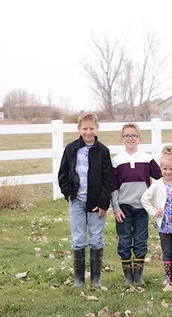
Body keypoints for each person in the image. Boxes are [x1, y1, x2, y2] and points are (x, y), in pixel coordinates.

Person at [57, 112, 112, 289]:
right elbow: (63, 174)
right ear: (79, 129)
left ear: (97, 128)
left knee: (96, 238)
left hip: (96, 203)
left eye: (91, 128)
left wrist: (104, 202)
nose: (88, 132)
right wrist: (68, 193)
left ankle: (96, 280)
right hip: (77, 201)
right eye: (84, 128)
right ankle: (79, 280)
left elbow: (107, 179)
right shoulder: (71, 149)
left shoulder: (103, 151)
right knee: (78, 238)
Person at [111, 123, 161, 285]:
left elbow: (161, 178)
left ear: (139, 138)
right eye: (127, 135)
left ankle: (138, 276)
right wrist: (116, 208)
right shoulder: (117, 160)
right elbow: (113, 187)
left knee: (140, 240)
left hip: (142, 207)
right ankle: (128, 276)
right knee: (124, 240)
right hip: (124, 207)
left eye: (133, 135)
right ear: (122, 138)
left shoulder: (146, 158)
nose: (130, 138)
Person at [141, 146, 172, 288]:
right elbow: (145, 198)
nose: (168, 172)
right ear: (160, 169)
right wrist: (153, 211)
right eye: (165, 169)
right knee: (167, 250)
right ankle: (167, 276)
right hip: (164, 223)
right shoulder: (157, 184)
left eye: (171, 169)